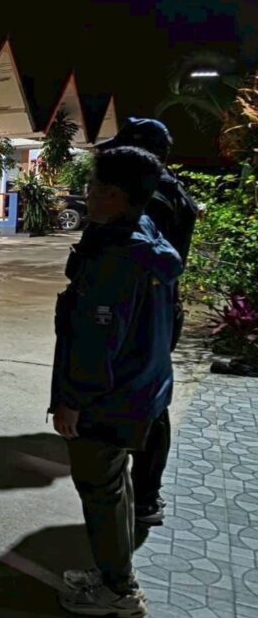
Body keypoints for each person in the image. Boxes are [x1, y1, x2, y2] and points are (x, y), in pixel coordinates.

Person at [51, 146, 182, 618]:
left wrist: (71, 400)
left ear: (113, 195)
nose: (85, 194)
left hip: (109, 396)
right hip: (142, 385)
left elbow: (95, 341)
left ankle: (118, 589)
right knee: (115, 484)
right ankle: (114, 574)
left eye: (92, 187)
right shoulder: (146, 235)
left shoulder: (115, 257)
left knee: (101, 490)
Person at [96, 117, 198, 526]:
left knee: (145, 403)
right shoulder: (173, 190)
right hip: (158, 305)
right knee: (150, 398)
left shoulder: (152, 198)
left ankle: (142, 496)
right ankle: (144, 494)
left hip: (141, 309)